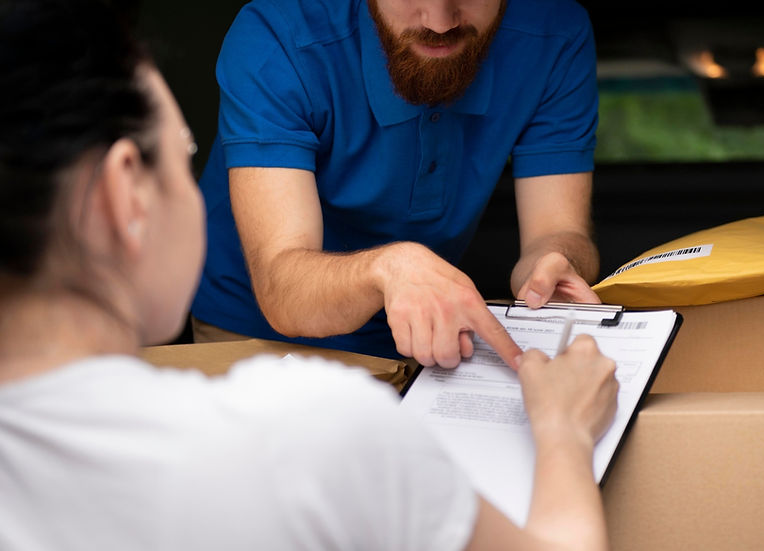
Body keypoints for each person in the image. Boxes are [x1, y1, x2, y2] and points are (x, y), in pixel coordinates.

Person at [0, 1, 619, 549]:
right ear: (122, 197)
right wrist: (564, 430)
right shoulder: (323, 430)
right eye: (186, 147)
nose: (438, 19)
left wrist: (555, 254)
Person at [190, 0, 602, 368]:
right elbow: (284, 290)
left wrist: (554, 263)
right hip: (255, 331)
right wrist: (389, 267)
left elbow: (557, 231)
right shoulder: (278, 33)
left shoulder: (556, 31)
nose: (440, 22)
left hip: (422, 331)